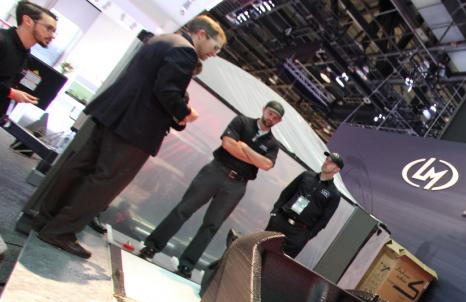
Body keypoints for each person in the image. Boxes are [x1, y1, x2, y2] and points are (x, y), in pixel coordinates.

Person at [32, 15, 226, 259]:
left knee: (79, 169)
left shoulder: (163, 40)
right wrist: (184, 113)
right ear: (201, 34)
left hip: (113, 115)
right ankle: (60, 232)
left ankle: (45, 220)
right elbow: (166, 90)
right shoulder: (186, 52)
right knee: (104, 184)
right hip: (135, 129)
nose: (214, 53)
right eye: (215, 47)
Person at [138, 101, 284, 277]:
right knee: (183, 209)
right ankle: (152, 246)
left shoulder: (273, 144)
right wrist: (254, 158)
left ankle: (187, 265)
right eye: (270, 113)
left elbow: (266, 165)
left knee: (212, 225)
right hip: (215, 171)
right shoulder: (242, 121)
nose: (271, 118)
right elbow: (228, 144)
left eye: (276, 117)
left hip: (237, 185)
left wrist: (244, 147)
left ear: (279, 121)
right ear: (264, 110)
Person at [266, 152, 344, 258]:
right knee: (260, 249)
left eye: (331, 162)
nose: (326, 162)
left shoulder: (334, 194)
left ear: (337, 170)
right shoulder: (306, 175)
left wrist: (307, 236)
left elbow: (323, 220)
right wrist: (274, 213)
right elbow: (286, 193)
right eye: (327, 159)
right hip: (280, 220)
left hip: (298, 233)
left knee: (278, 261)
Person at [0, 2, 57, 118]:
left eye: (54, 31)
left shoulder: (25, 55)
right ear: (27, 21)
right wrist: (11, 93)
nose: (53, 36)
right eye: (49, 28)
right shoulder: (2, 41)